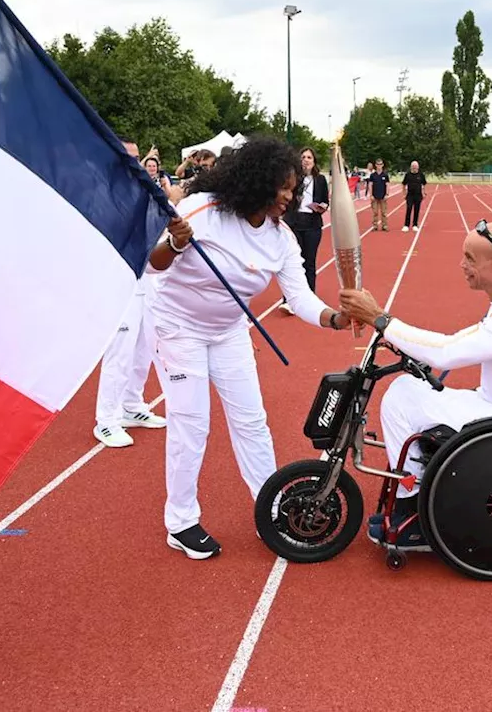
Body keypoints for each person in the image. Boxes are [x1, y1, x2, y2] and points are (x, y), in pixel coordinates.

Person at [145, 135, 351, 560]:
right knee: (192, 422)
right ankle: (180, 521)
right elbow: (154, 262)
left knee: (252, 420)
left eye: (294, 190)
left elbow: (300, 298)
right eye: (284, 187)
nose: (289, 197)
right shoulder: (202, 211)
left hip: (228, 331)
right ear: (257, 181)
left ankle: (269, 506)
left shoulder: (281, 237)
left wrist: (336, 318)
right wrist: (176, 242)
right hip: (176, 326)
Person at [339, 218, 492, 548]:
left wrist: (380, 319)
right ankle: (418, 491)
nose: (462, 265)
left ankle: (413, 512)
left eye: (470, 258)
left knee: (401, 399)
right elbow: (455, 344)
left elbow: (449, 351)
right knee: (406, 390)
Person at [92, 140, 169, 449]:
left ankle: (132, 405)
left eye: (139, 159)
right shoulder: (103, 192)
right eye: (131, 158)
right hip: (120, 281)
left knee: (143, 348)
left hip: (146, 281)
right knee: (120, 351)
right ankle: (106, 420)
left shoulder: (148, 191)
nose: (136, 163)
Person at [278, 147, 329, 313]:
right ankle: (288, 300)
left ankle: (310, 298)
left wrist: (322, 207)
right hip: (294, 222)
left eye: (309, 157)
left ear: (314, 162)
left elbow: (325, 200)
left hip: (312, 223)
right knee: (293, 262)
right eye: (303, 157)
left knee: (310, 262)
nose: (306, 160)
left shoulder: (320, 179)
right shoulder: (293, 179)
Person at [401, 160, 426, 232]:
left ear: (418, 167)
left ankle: (415, 224)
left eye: (416, 167)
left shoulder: (421, 175)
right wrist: (404, 193)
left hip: (418, 195)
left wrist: (424, 193)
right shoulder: (408, 175)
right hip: (409, 195)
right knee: (409, 209)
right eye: (413, 167)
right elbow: (403, 184)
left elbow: (424, 184)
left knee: (416, 210)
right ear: (411, 167)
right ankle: (406, 225)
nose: (414, 168)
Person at [367, 158, 389, 231]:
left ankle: (384, 226)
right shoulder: (373, 175)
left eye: (380, 164)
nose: (379, 166)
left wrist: (387, 194)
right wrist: (371, 195)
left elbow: (387, 185)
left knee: (384, 212)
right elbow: (370, 185)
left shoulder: (385, 175)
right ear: (376, 165)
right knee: (375, 212)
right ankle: (375, 226)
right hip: (375, 196)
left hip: (383, 196)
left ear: (382, 165)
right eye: (378, 164)